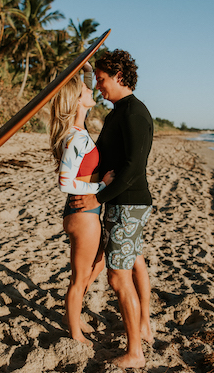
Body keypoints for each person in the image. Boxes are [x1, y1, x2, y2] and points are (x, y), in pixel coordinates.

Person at [69, 49, 154, 368]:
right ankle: (144, 326)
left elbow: (134, 167)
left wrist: (97, 198)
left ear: (120, 76)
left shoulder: (134, 112)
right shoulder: (118, 111)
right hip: (123, 202)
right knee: (135, 262)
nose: (100, 86)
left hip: (128, 203)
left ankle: (135, 353)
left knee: (119, 276)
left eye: (103, 80)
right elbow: (104, 155)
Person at [49, 66, 114, 345]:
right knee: (79, 278)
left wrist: (87, 67)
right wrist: (100, 188)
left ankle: (72, 316)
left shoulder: (79, 130)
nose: (92, 90)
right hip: (83, 213)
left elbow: (84, 88)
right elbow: (65, 182)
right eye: (87, 90)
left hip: (85, 212)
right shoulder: (75, 138)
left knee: (97, 264)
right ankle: (74, 330)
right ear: (77, 100)